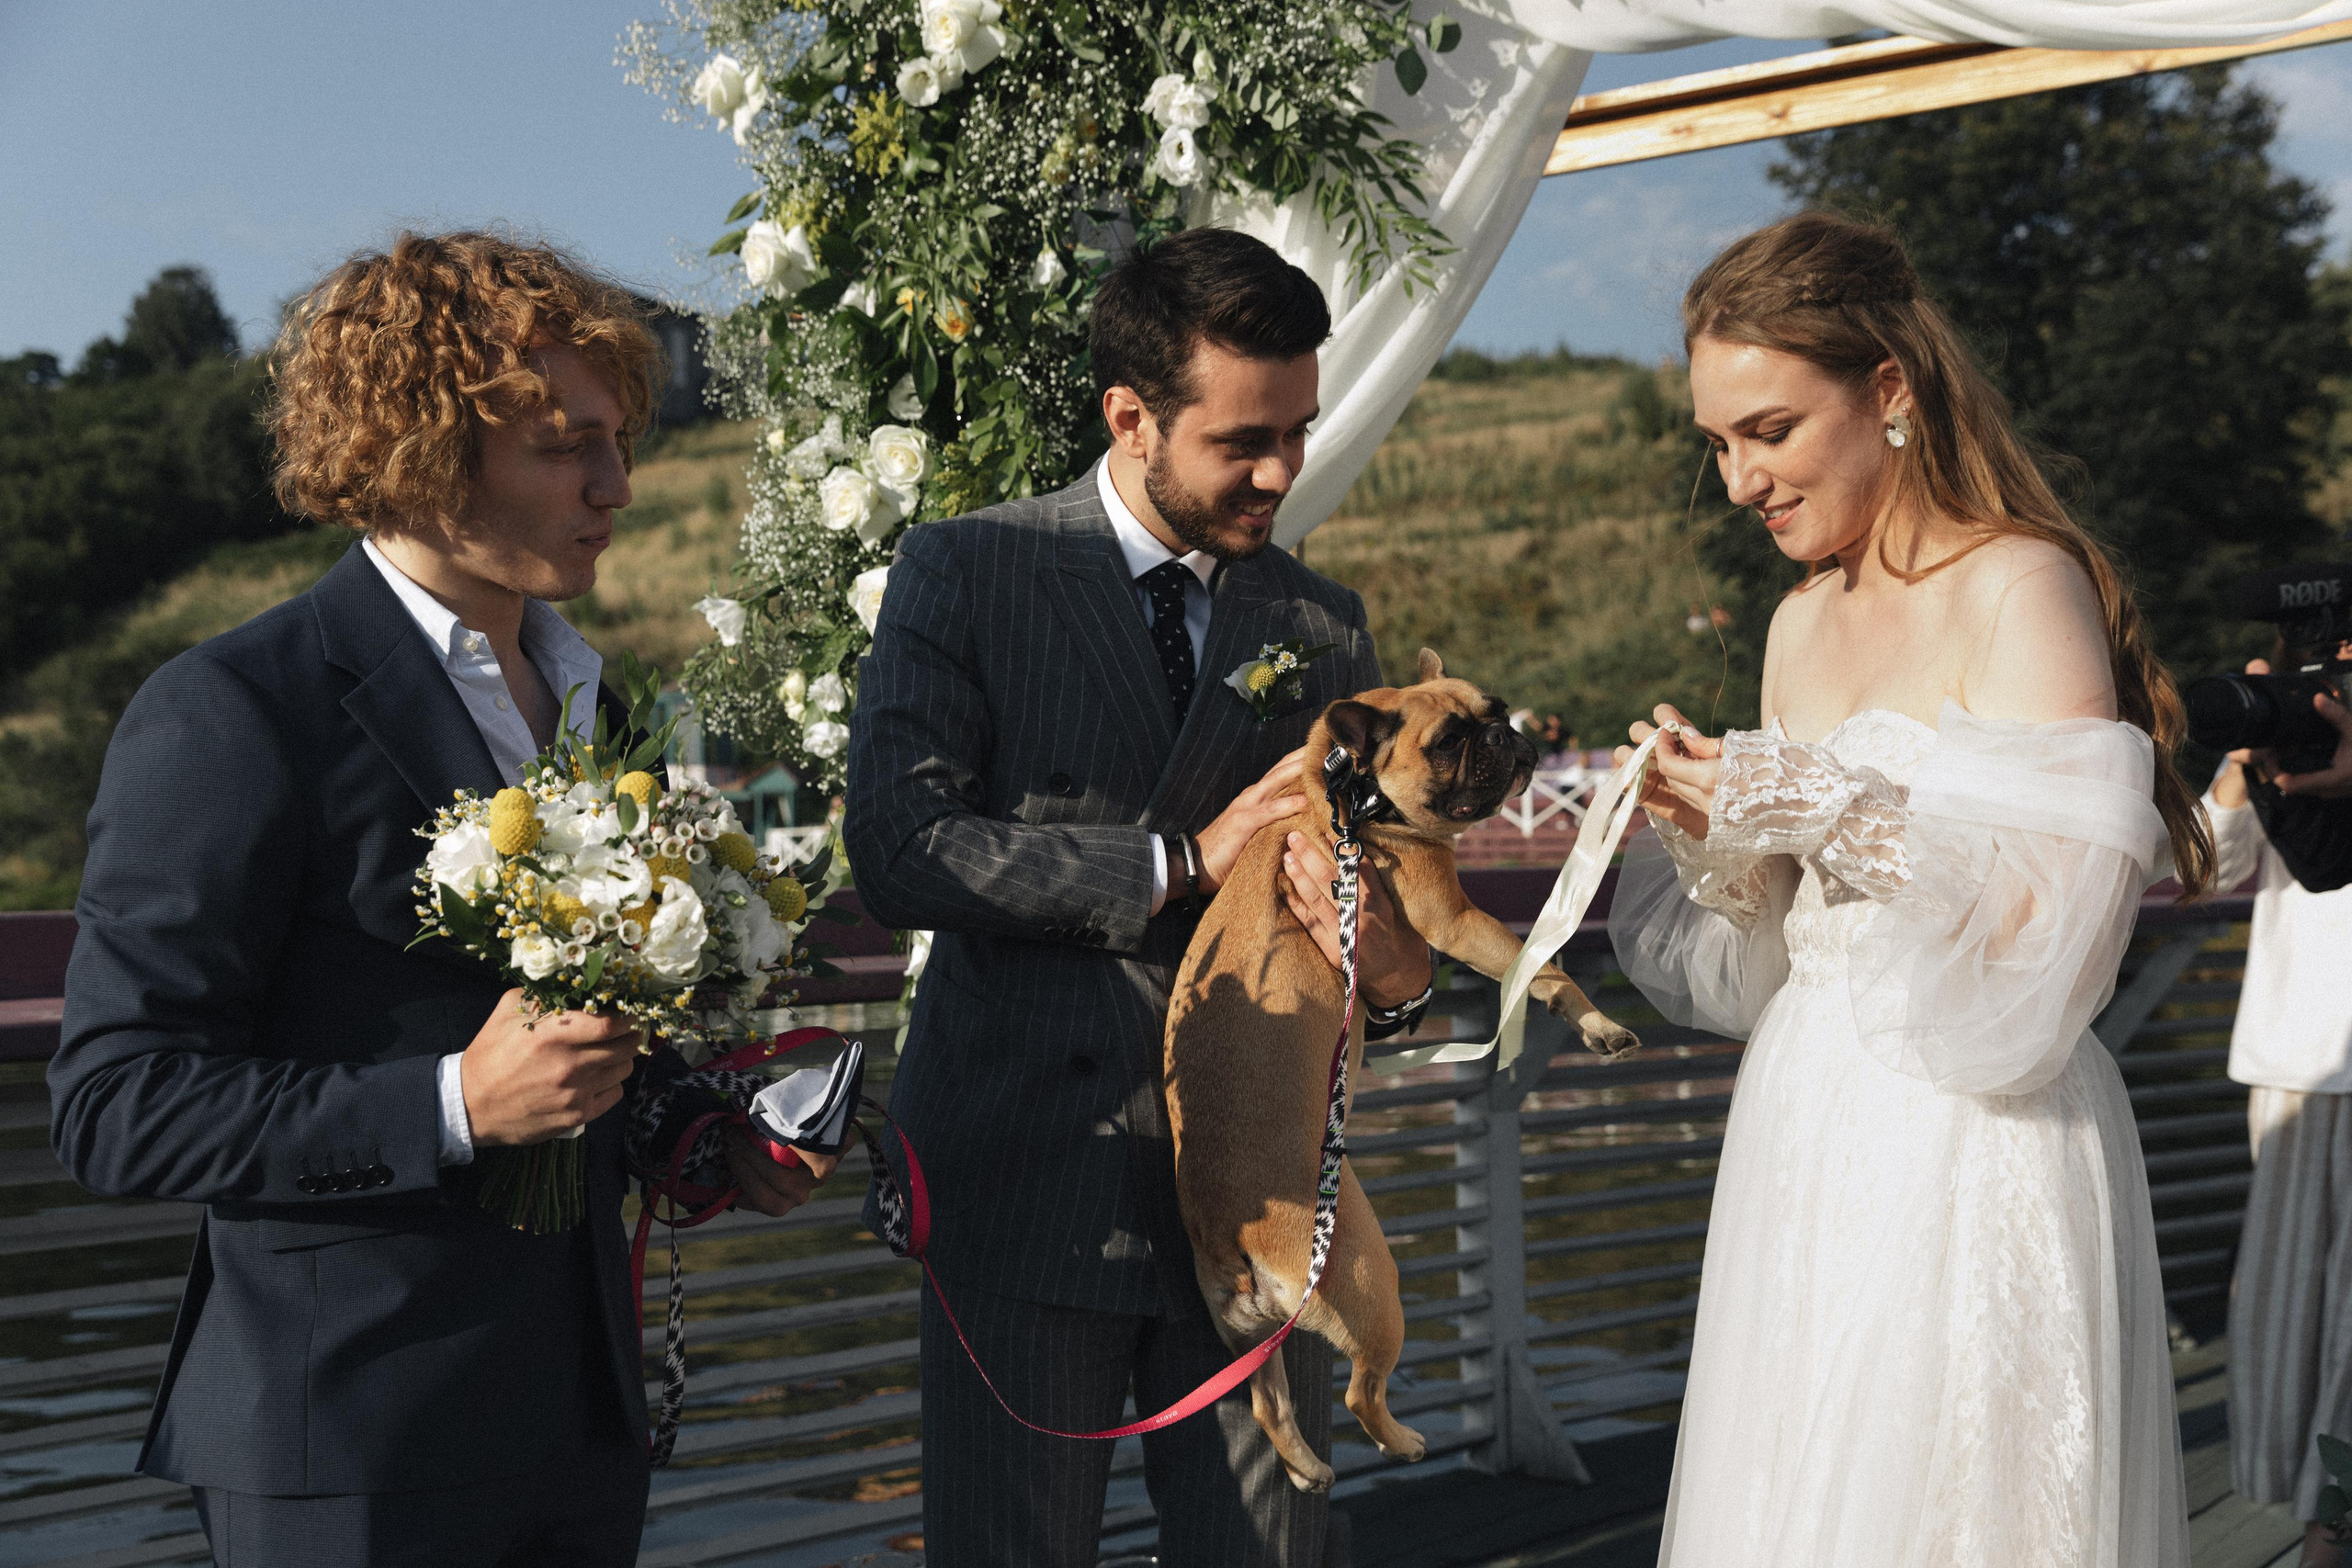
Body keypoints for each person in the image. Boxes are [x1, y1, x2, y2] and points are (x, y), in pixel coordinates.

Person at [48, 231, 822, 1568]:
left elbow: (563, 1035)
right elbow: (117, 1104)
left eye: (617, 439)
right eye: (566, 444)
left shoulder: (592, 698)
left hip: (580, 1423)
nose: (618, 483)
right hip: (351, 1438)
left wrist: (686, 1121)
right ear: (421, 445)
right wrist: (457, 1101)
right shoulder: (231, 712)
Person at [1606, 211, 2210, 1567]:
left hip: (1977, 1127)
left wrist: (1810, 799)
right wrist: (1718, 833)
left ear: (1890, 389)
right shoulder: (1794, 622)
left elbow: (2052, 926)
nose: (1740, 476)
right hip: (1809, 1117)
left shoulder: (2020, 587)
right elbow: (1771, 943)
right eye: (1716, 440)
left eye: (1767, 427)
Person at [844, 227, 1432, 1568]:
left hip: (1258, 1197)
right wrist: (1175, 861)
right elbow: (898, 844)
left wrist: (1391, 968)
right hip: (1026, 1178)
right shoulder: (967, 569)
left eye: (1299, 428)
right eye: (1244, 441)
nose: (1282, 470)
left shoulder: (1324, 624)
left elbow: (1361, 926)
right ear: (1130, 417)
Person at [2209, 655, 2352, 1568]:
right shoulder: (2292, 740)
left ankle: (2326, 1534)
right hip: (2300, 1058)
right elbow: (2203, 862)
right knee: (2290, 1319)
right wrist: (2243, 756)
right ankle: (2316, 1515)